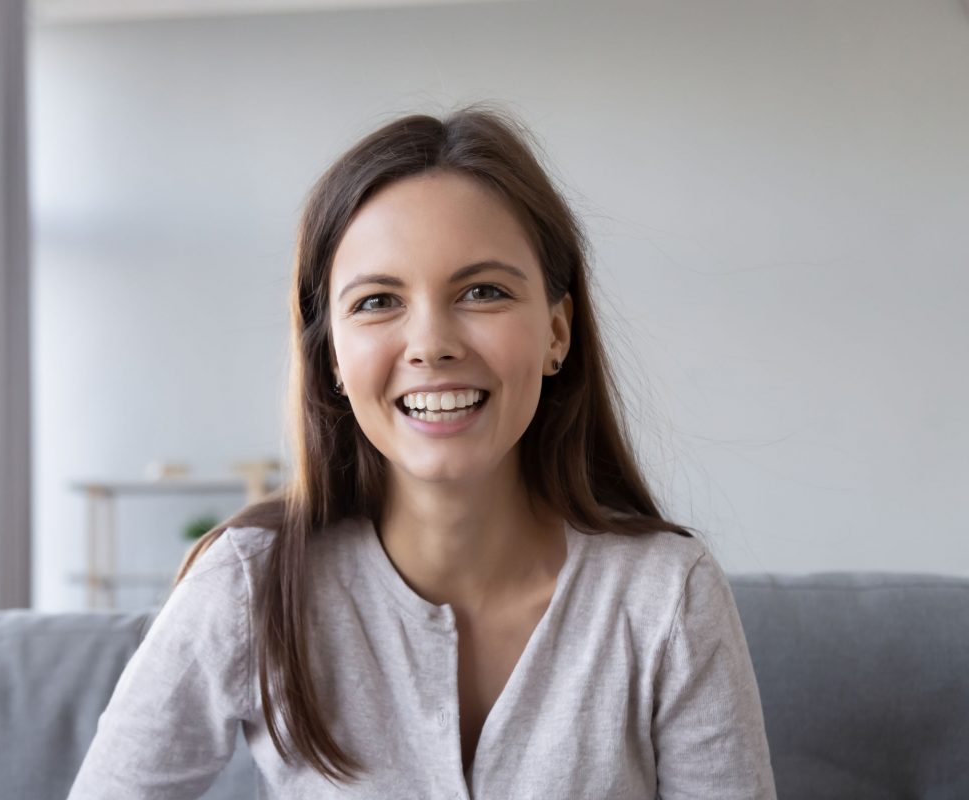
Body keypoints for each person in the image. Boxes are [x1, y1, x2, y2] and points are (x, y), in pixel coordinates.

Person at [67, 104, 777, 799]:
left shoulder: (668, 595)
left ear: (557, 332)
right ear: (332, 360)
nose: (432, 343)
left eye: (483, 291)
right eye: (378, 301)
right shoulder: (249, 588)